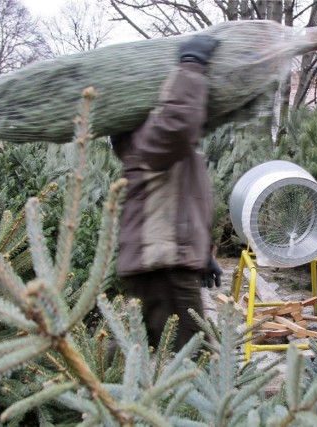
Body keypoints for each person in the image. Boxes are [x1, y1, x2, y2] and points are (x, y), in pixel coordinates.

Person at [111, 34, 223, 352]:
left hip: (167, 264)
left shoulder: (158, 153)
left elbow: (181, 206)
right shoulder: (146, 145)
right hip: (162, 268)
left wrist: (203, 257)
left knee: (144, 354)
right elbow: (178, 122)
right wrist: (191, 64)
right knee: (191, 363)